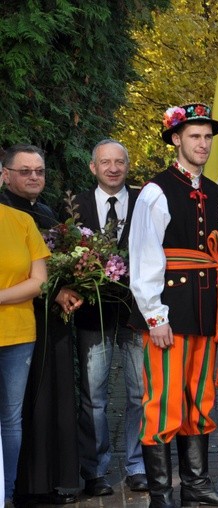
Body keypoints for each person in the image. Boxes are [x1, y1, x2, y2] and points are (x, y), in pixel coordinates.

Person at [129, 103, 218, 508]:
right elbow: (144, 256)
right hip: (169, 313)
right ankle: (161, 495)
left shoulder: (216, 192)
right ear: (176, 139)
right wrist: (155, 314)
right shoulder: (156, 191)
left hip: (205, 312)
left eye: (208, 137)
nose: (203, 144)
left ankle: (196, 486)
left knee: (201, 398)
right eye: (195, 136)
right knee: (163, 402)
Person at [1, 144, 81, 505]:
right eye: (25, 171)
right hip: (20, 320)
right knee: (21, 408)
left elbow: (50, 270)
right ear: (6, 174)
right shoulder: (10, 213)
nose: (34, 177)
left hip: (49, 323)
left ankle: (43, 482)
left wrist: (69, 286)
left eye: (39, 171)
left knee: (47, 403)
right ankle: (19, 486)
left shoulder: (45, 213)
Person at [72, 139, 147, 495]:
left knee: (139, 393)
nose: (113, 168)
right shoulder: (76, 205)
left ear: (127, 165)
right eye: (106, 162)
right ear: (93, 167)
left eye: (119, 161)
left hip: (136, 313)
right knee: (94, 397)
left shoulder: (146, 202)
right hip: (93, 315)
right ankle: (95, 470)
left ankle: (137, 465)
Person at [0, 195, 49, 502]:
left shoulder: (22, 221)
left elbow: (39, 282)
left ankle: (6, 492)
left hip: (17, 335)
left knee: (10, 420)